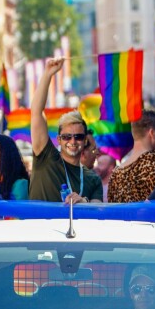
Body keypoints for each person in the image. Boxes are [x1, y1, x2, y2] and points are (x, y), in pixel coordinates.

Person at [28, 58, 103, 204]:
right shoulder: (46, 157)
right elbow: (36, 111)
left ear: (85, 140)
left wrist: (83, 202)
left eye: (78, 136)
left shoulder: (92, 179)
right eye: (67, 137)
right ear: (59, 139)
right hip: (37, 227)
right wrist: (48, 74)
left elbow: (97, 208)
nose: (73, 141)